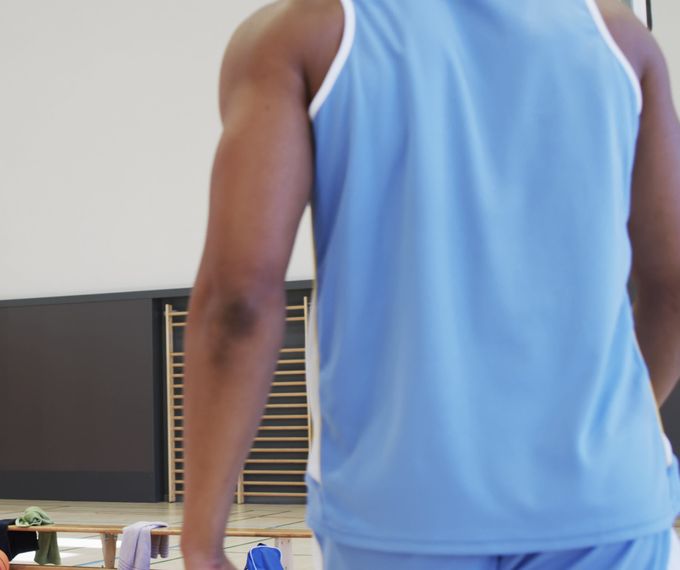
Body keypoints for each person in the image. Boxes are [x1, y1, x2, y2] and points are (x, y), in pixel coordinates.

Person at [181, 1, 680, 569]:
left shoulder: (303, 33)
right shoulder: (621, 38)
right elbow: (674, 289)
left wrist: (201, 541)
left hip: (402, 506)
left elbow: (240, 299)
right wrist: (605, 430)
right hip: (608, 499)